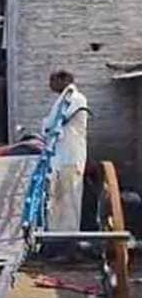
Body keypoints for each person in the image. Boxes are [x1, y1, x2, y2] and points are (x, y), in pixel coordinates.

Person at [44, 70, 89, 231]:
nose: (50, 84)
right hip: (60, 158)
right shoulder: (63, 99)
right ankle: (55, 237)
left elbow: (53, 124)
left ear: (63, 80)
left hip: (70, 157)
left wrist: (46, 127)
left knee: (69, 200)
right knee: (57, 200)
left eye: (52, 80)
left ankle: (68, 240)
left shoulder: (75, 99)